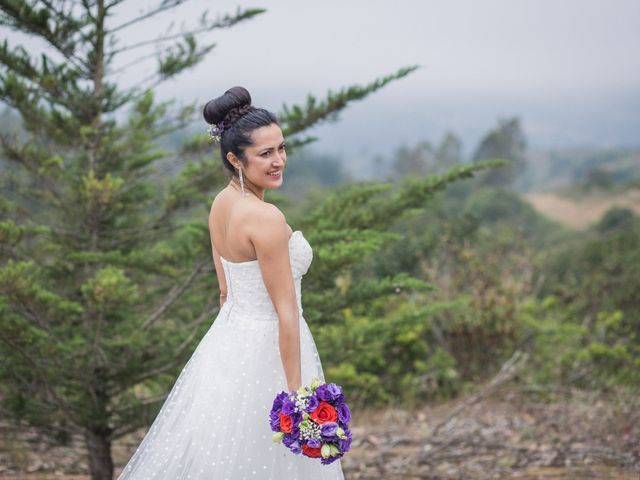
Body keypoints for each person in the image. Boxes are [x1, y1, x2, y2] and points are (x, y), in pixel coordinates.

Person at [116, 86, 346, 479]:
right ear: (234, 158)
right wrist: (299, 399)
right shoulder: (265, 218)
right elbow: (286, 312)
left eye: (281, 148)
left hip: (230, 342)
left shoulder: (222, 202)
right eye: (265, 154)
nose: (279, 161)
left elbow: (225, 290)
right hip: (272, 347)